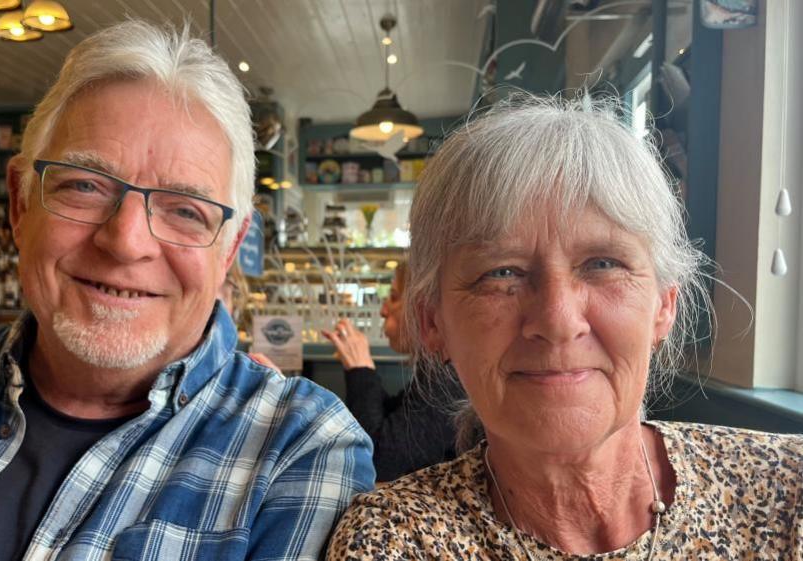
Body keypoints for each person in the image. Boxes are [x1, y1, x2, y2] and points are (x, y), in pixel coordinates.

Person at [0, 20, 373, 561]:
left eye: (185, 210)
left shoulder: (297, 449)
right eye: (84, 186)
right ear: (20, 203)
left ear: (229, 248)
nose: (126, 242)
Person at [328, 94, 803, 559]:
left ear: (664, 305)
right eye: (502, 273)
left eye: (603, 263)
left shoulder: (787, 490)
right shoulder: (392, 540)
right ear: (433, 323)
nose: (557, 321)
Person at [321, 262, 467, 481]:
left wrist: (360, 368)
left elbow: (377, 460)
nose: (383, 310)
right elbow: (390, 418)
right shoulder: (438, 370)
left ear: (424, 310)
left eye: (394, 297)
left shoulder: (449, 377)